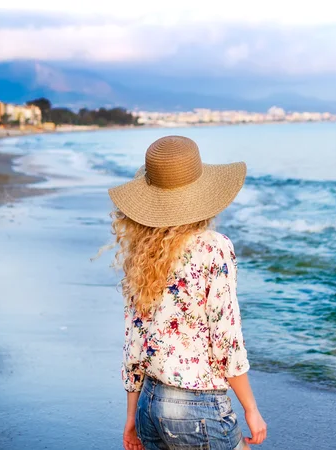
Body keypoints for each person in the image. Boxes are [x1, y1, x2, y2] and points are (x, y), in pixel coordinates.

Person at [106, 135, 267, 450]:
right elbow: (226, 339)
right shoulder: (213, 247)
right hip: (198, 407)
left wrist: (131, 416)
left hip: (149, 406)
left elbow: (134, 345)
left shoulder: (141, 254)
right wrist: (251, 408)